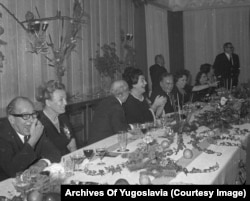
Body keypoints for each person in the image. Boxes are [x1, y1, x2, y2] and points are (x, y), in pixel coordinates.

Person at [0, 97, 61, 181]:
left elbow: (55, 153)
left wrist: (42, 163)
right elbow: (13, 171)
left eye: (33, 115)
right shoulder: (2, 136)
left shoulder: (36, 128)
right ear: (12, 119)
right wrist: (32, 140)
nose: (31, 121)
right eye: (25, 116)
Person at [36, 80, 77, 156]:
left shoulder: (63, 118)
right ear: (48, 103)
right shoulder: (39, 124)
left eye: (65, 99)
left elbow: (72, 146)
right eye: (61, 100)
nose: (65, 103)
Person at [88, 80, 130, 144]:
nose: (128, 94)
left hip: (94, 142)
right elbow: (120, 131)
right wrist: (132, 127)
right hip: (103, 145)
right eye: (128, 91)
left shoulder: (105, 101)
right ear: (122, 94)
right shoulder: (116, 107)